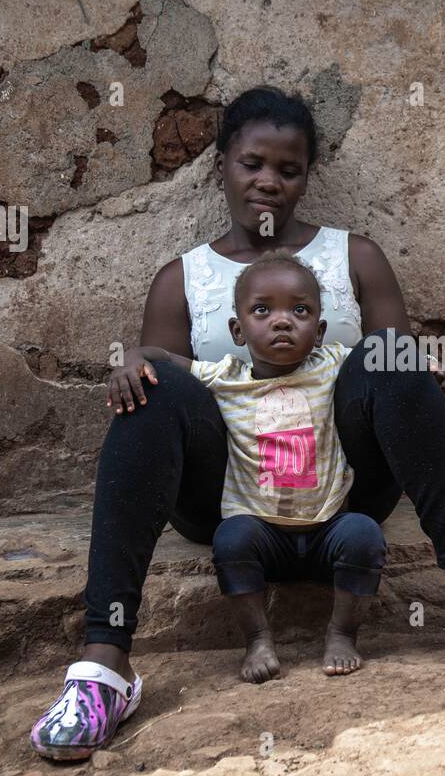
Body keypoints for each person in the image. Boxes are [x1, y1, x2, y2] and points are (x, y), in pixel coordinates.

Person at [30, 85, 445, 761]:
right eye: (251, 163)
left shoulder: (356, 258)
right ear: (221, 167)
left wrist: (414, 370)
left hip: (345, 491)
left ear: (306, 177)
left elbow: (402, 378)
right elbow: (164, 385)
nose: (268, 182)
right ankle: (105, 665)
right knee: (152, 387)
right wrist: (136, 363)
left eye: (287, 169)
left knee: (390, 354)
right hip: (229, 505)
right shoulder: (183, 279)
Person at [151, 251, 386, 683]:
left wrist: (424, 366)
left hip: (327, 527)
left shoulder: (332, 363)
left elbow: (383, 362)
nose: (282, 321)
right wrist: (134, 359)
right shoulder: (226, 377)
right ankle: (258, 638)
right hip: (261, 533)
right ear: (237, 331)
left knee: (365, 533)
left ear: (318, 332)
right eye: (263, 310)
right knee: (230, 538)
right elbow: (166, 362)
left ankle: (342, 633)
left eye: (299, 310)